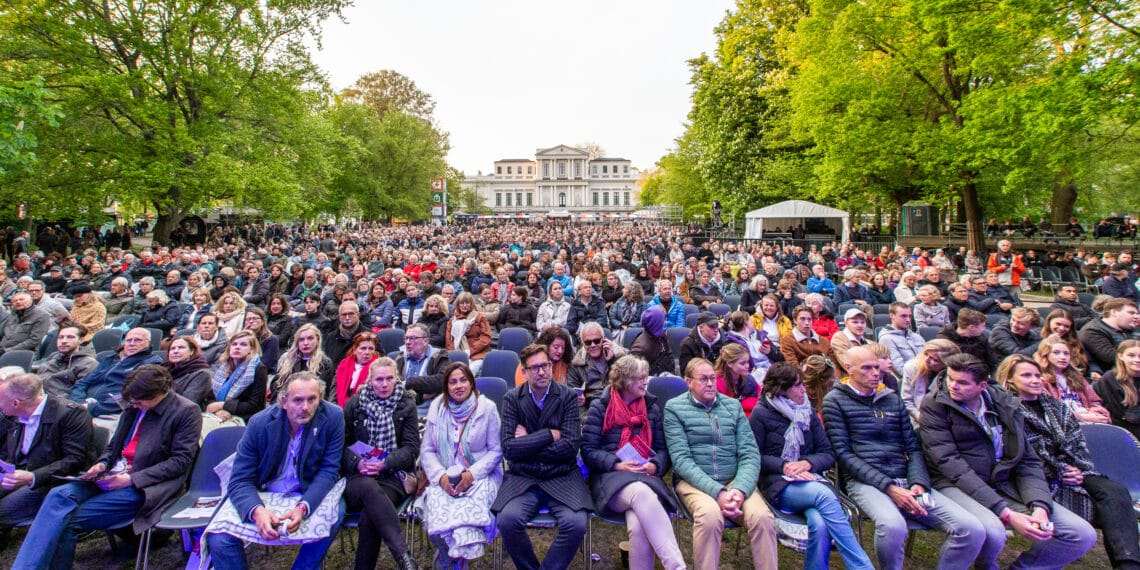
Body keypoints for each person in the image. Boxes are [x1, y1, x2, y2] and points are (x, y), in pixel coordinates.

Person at [918, 354, 1097, 569]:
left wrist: (1040, 506)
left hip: (1003, 481)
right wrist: (1006, 513)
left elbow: (1027, 460)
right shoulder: (935, 404)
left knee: (1081, 534)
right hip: (954, 483)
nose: (953, 386)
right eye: (950, 379)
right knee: (992, 531)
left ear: (982, 385)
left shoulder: (1004, 403)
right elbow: (951, 465)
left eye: (962, 382)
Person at [14, 365, 201, 569]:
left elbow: (180, 462)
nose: (135, 405)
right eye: (132, 401)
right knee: (58, 496)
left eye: (139, 402)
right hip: (113, 474)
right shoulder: (133, 405)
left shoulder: (186, 411)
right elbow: (114, 446)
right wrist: (102, 464)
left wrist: (131, 479)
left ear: (160, 394)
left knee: (63, 520)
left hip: (146, 485)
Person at [823, 347, 984, 570]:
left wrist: (918, 482)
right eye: (867, 368)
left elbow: (913, 447)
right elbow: (843, 454)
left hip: (906, 478)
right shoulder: (835, 401)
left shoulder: (891, 399)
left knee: (971, 530)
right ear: (848, 369)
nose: (875, 373)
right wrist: (890, 488)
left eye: (877, 367)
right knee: (893, 526)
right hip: (865, 482)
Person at [999, 354, 1140, 569]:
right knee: (1106, 508)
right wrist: (1060, 470)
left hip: (1075, 469)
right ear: (1010, 380)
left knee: (1115, 491)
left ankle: (1128, 564)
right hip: (1037, 477)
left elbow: (1077, 442)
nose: (1036, 380)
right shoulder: (1008, 411)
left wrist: (1078, 469)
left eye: (1037, 375)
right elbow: (1026, 453)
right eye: (1027, 376)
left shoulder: (1056, 407)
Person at [206, 372, 345, 570]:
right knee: (219, 537)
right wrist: (257, 511)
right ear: (284, 401)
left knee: (337, 511)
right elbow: (239, 479)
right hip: (264, 489)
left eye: (312, 399)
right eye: (298, 400)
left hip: (306, 489)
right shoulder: (259, 423)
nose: (305, 407)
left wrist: (303, 507)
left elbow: (329, 470)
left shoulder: (333, 416)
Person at [752, 362, 874, 570]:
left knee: (819, 523)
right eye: (797, 386)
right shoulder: (761, 414)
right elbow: (754, 456)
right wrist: (785, 466)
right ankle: (861, 566)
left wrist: (807, 463)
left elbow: (828, 453)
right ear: (781, 389)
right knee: (824, 495)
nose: (803, 390)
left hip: (811, 478)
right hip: (778, 484)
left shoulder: (806, 411)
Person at [664, 358, 777, 569]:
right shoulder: (674, 409)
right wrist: (719, 493)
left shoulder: (732, 407)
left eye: (712, 379)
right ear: (689, 382)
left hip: (734, 481)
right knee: (710, 517)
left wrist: (740, 490)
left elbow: (749, 454)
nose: (710, 384)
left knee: (762, 518)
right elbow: (681, 461)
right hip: (695, 483)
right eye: (703, 379)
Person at [581, 355, 685, 570]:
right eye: (640, 378)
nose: (645, 382)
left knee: (638, 527)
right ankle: (676, 565)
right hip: (609, 479)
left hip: (645, 475)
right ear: (624, 381)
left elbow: (663, 450)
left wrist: (655, 465)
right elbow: (589, 451)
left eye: (646, 377)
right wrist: (616, 464)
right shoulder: (600, 408)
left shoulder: (651, 409)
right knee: (641, 493)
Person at [495, 343, 591, 570]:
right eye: (535, 367)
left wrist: (527, 440)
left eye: (545, 365)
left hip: (561, 475)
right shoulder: (512, 399)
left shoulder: (566, 396)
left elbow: (570, 447)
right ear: (524, 371)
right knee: (507, 521)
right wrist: (548, 434)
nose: (542, 372)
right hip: (523, 478)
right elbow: (508, 448)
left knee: (576, 524)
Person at [419, 362, 503, 568]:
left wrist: (471, 475)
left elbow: (496, 451)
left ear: (472, 383)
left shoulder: (487, 408)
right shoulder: (437, 408)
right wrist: (441, 477)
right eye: (453, 382)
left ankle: (451, 563)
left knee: (466, 512)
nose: (458, 386)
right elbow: (427, 451)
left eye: (463, 380)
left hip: (482, 475)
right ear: (446, 387)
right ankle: (453, 560)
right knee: (435, 508)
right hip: (446, 476)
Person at [341, 357, 419, 570]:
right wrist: (357, 463)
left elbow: (411, 448)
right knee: (367, 487)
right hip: (357, 477)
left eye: (389, 379)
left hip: (391, 477)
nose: (384, 384)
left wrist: (386, 463)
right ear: (370, 380)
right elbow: (341, 444)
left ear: (397, 379)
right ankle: (404, 557)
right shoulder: (355, 404)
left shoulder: (406, 405)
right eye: (379, 379)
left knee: (370, 516)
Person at [0, 373, 94, 530]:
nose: (0, 408)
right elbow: (12, 454)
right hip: (22, 474)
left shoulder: (71, 414)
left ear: (16, 403)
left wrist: (33, 477)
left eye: (0, 403)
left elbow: (75, 460)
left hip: (54, 481)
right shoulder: (18, 417)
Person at [69, 328, 164, 418]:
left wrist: (91, 408)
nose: (132, 344)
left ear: (148, 343)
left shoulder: (151, 362)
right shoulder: (109, 358)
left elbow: (132, 395)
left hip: (111, 412)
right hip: (84, 404)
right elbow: (83, 383)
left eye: (138, 340)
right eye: (128, 340)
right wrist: (78, 402)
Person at [1033, 335, 1110, 423]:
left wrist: (1095, 411)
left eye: (1066, 353)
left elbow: (1094, 401)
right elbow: (1050, 411)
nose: (1062, 357)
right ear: (1045, 355)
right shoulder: (1040, 380)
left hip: (1087, 416)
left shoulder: (1078, 378)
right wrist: (1082, 417)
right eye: (1056, 352)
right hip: (1063, 422)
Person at [206, 330, 267, 424]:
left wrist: (224, 405)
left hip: (243, 418)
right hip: (218, 414)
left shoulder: (258, 369)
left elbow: (255, 405)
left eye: (243, 344)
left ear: (251, 349)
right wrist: (218, 410)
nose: (237, 347)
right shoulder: (223, 367)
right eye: (234, 344)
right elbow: (211, 396)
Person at [898, 339, 959, 425]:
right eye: (926, 354)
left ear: (946, 364)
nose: (926, 360)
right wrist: (922, 419)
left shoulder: (956, 375)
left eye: (934, 359)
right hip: (920, 419)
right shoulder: (912, 367)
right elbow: (907, 401)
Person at [568, 322, 629, 407]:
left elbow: (627, 382)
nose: (593, 345)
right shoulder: (576, 364)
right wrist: (579, 399)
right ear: (583, 344)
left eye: (596, 341)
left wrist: (612, 360)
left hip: (617, 402)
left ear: (604, 339)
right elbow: (572, 391)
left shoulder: (620, 355)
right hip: (591, 406)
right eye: (588, 342)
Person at [273, 323, 334, 401]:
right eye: (301, 340)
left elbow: (322, 394)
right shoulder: (287, 360)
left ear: (318, 340)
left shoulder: (324, 363)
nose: (305, 343)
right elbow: (276, 387)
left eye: (310, 338)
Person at [35, 323, 98, 398]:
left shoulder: (88, 364)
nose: (64, 341)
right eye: (60, 337)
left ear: (81, 340)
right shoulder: (50, 362)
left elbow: (79, 396)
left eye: (70, 337)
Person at [1093, 340, 1140, 441]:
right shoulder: (1110, 378)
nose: (1137, 360)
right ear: (1120, 356)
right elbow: (1123, 415)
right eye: (1131, 355)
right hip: (1122, 430)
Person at [397, 322, 451, 405]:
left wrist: (409, 382)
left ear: (425, 341)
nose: (407, 342)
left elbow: (443, 380)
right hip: (404, 408)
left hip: (430, 409)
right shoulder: (400, 358)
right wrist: (421, 396)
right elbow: (395, 387)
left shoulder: (438, 356)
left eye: (412, 338)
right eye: (406, 338)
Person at [1079, 298, 1138, 374]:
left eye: (1137, 313)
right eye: (1131, 313)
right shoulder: (1092, 331)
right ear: (1114, 312)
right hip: (1113, 377)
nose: (1136, 316)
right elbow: (1112, 357)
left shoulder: (1129, 328)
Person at [446, 291, 492, 376]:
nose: (464, 305)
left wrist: (470, 351)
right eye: (462, 303)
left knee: (469, 372)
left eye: (467, 303)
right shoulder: (452, 320)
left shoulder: (480, 317)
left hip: (476, 354)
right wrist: (455, 353)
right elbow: (449, 341)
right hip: (458, 353)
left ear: (471, 304)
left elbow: (486, 338)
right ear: (458, 305)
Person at [162, 335, 213, 410]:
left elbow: (187, 403)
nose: (175, 351)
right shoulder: (164, 370)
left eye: (181, 347)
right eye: (172, 349)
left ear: (192, 351)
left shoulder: (202, 374)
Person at [332, 332, 379, 407]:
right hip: (340, 407)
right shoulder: (343, 365)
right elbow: (334, 392)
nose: (367, 352)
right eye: (363, 348)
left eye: (371, 349)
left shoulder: (378, 367)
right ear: (355, 350)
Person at [714, 343, 759, 416]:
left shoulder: (749, 379)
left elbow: (759, 399)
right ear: (729, 363)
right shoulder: (718, 383)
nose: (747, 366)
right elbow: (724, 410)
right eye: (742, 363)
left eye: (747, 362)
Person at [630, 306, 676, 376]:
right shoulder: (640, 348)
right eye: (663, 319)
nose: (664, 322)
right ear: (656, 322)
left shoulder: (660, 335)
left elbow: (669, 353)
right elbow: (635, 374)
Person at [829, 308, 870, 375]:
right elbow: (847, 364)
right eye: (855, 322)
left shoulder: (867, 341)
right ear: (846, 323)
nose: (860, 325)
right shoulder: (839, 338)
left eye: (862, 322)